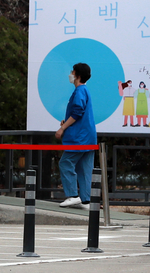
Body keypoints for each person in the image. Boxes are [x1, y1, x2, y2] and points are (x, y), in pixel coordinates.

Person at [55, 63, 97, 210]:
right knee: (84, 168)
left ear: (77, 76)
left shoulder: (79, 91)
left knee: (65, 163)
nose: (70, 74)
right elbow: (79, 114)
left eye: (72, 72)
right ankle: (85, 200)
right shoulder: (85, 91)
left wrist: (63, 128)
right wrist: (66, 121)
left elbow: (77, 112)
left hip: (79, 138)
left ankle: (72, 195)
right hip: (89, 138)